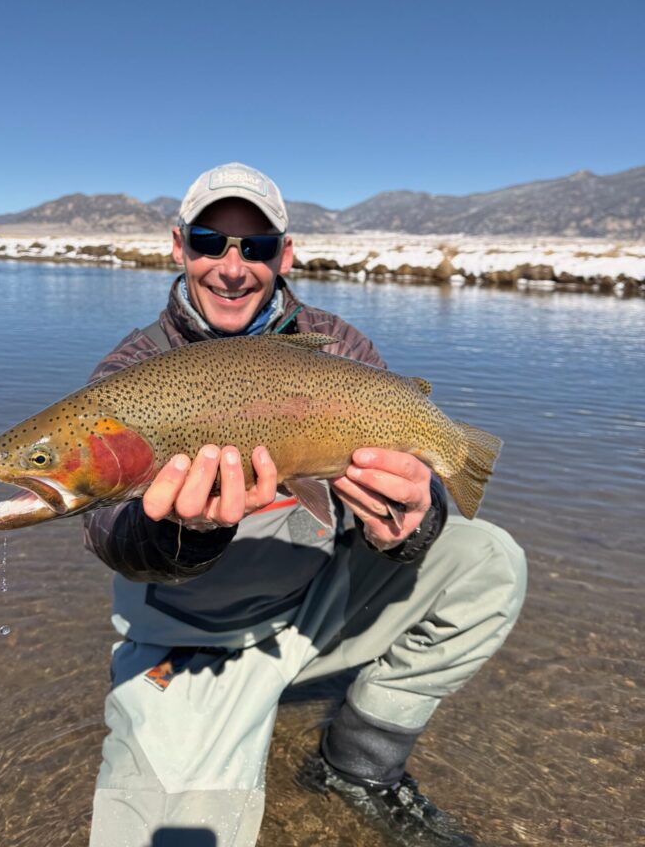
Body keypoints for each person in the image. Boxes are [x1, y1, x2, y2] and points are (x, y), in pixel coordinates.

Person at [83, 163, 527, 847]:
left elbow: (413, 480)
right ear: (178, 247)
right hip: (193, 638)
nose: (233, 268)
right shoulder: (134, 371)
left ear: (284, 256)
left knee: (488, 559)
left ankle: (357, 762)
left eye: (256, 248)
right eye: (211, 242)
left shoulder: (339, 347)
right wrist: (181, 532)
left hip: (318, 604)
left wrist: (415, 516)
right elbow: (106, 528)